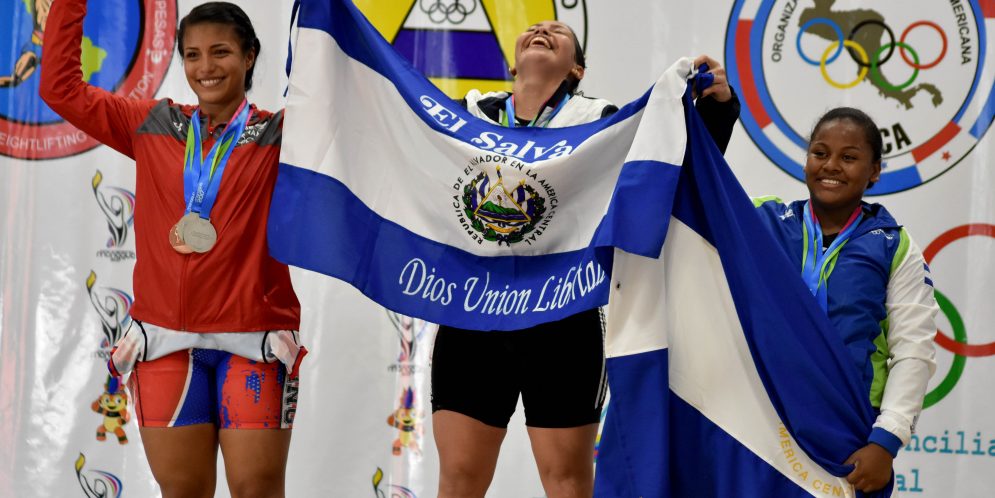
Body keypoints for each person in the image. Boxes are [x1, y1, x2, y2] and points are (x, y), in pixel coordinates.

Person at [429, 20, 740, 498]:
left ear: (577, 69)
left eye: (558, 32)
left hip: (562, 316)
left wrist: (717, 110)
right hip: (474, 312)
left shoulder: (601, 120)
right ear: (512, 64)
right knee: (459, 479)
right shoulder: (465, 114)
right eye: (535, 29)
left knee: (567, 482)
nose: (542, 29)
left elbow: (669, 171)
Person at [41, 2, 303, 497]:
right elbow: (60, 89)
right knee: (183, 492)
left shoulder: (279, 135)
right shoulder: (153, 124)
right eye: (193, 55)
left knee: (257, 489)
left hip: (253, 339)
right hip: (165, 342)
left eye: (221, 52)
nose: (205, 67)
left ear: (249, 56)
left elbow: (349, 113)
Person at [752, 107, 937, 493]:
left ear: (874, 171)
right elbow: (701, 204)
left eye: (849, 157)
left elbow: (913, 351)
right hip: (759, 420)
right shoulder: (763, 220)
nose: (831, 166)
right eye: (820, 153)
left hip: (846, 434)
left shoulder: (894, 245)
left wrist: (886, 441)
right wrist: (718, 115)